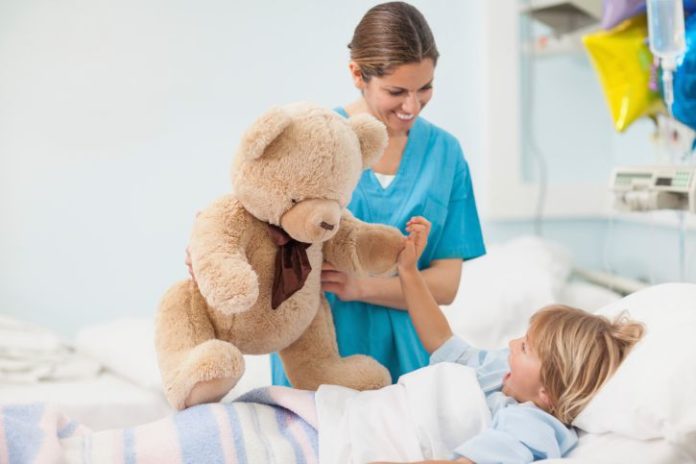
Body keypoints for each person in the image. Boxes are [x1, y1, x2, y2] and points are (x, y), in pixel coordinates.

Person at [271, 1, 486, 386]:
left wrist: (361, 287)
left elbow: (446, 286)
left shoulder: (445, 153)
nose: (412, 105)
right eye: (396, 91)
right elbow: (265, 240)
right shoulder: (315, 140)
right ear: (357, 74)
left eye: (425, 88)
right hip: (321, 352)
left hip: (410, 357)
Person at [364, 216, 645, 463]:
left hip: (373, 440)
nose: (511, 345)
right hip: (366, 413)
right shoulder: (501, 371)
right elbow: (441, 340)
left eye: (524, 347)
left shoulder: (534, 423)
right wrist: (409, 271)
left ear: (546, 390)